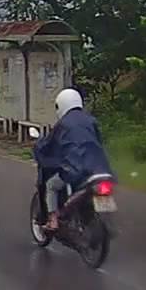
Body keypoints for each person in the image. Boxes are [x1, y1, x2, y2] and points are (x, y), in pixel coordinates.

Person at [32, 88, 115, 232]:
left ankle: (53, 220)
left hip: (77, 169)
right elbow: (99, 142)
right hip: (101, 169)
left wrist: (38, 147)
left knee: (51, 185)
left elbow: (49, 144)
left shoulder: (63, 124)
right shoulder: (91, 120)